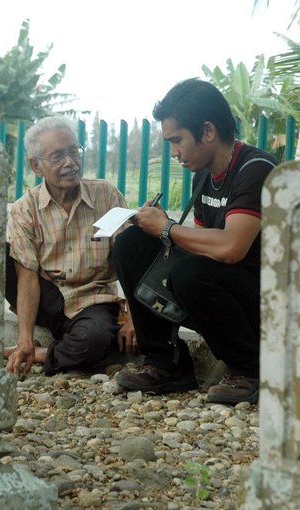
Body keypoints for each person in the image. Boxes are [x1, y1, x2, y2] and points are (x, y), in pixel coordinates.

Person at [112, 78, 278, 404]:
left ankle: (249, 370)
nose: (173, 153)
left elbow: (232, 247)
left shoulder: (255, 169)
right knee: (131, 243)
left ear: (208, 131)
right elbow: (200, 241)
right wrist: (157, 228)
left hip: (267, 297)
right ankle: (166, 363)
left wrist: (167, 228)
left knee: (189, 274)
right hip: (227, 291)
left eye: (177, 141)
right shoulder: (203, 176)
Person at [4, 116, 135, 376]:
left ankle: (43, 354)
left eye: (74, 151)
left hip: (92, 300)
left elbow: (133, 259)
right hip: (47, 297)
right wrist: (25, 337)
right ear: (36, 166)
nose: (70, 162)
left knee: (95, 339)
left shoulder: (106, 196)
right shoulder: (25, 209)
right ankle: (29, 347)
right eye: (57, 156)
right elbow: (27, 276)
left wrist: (134, 317)